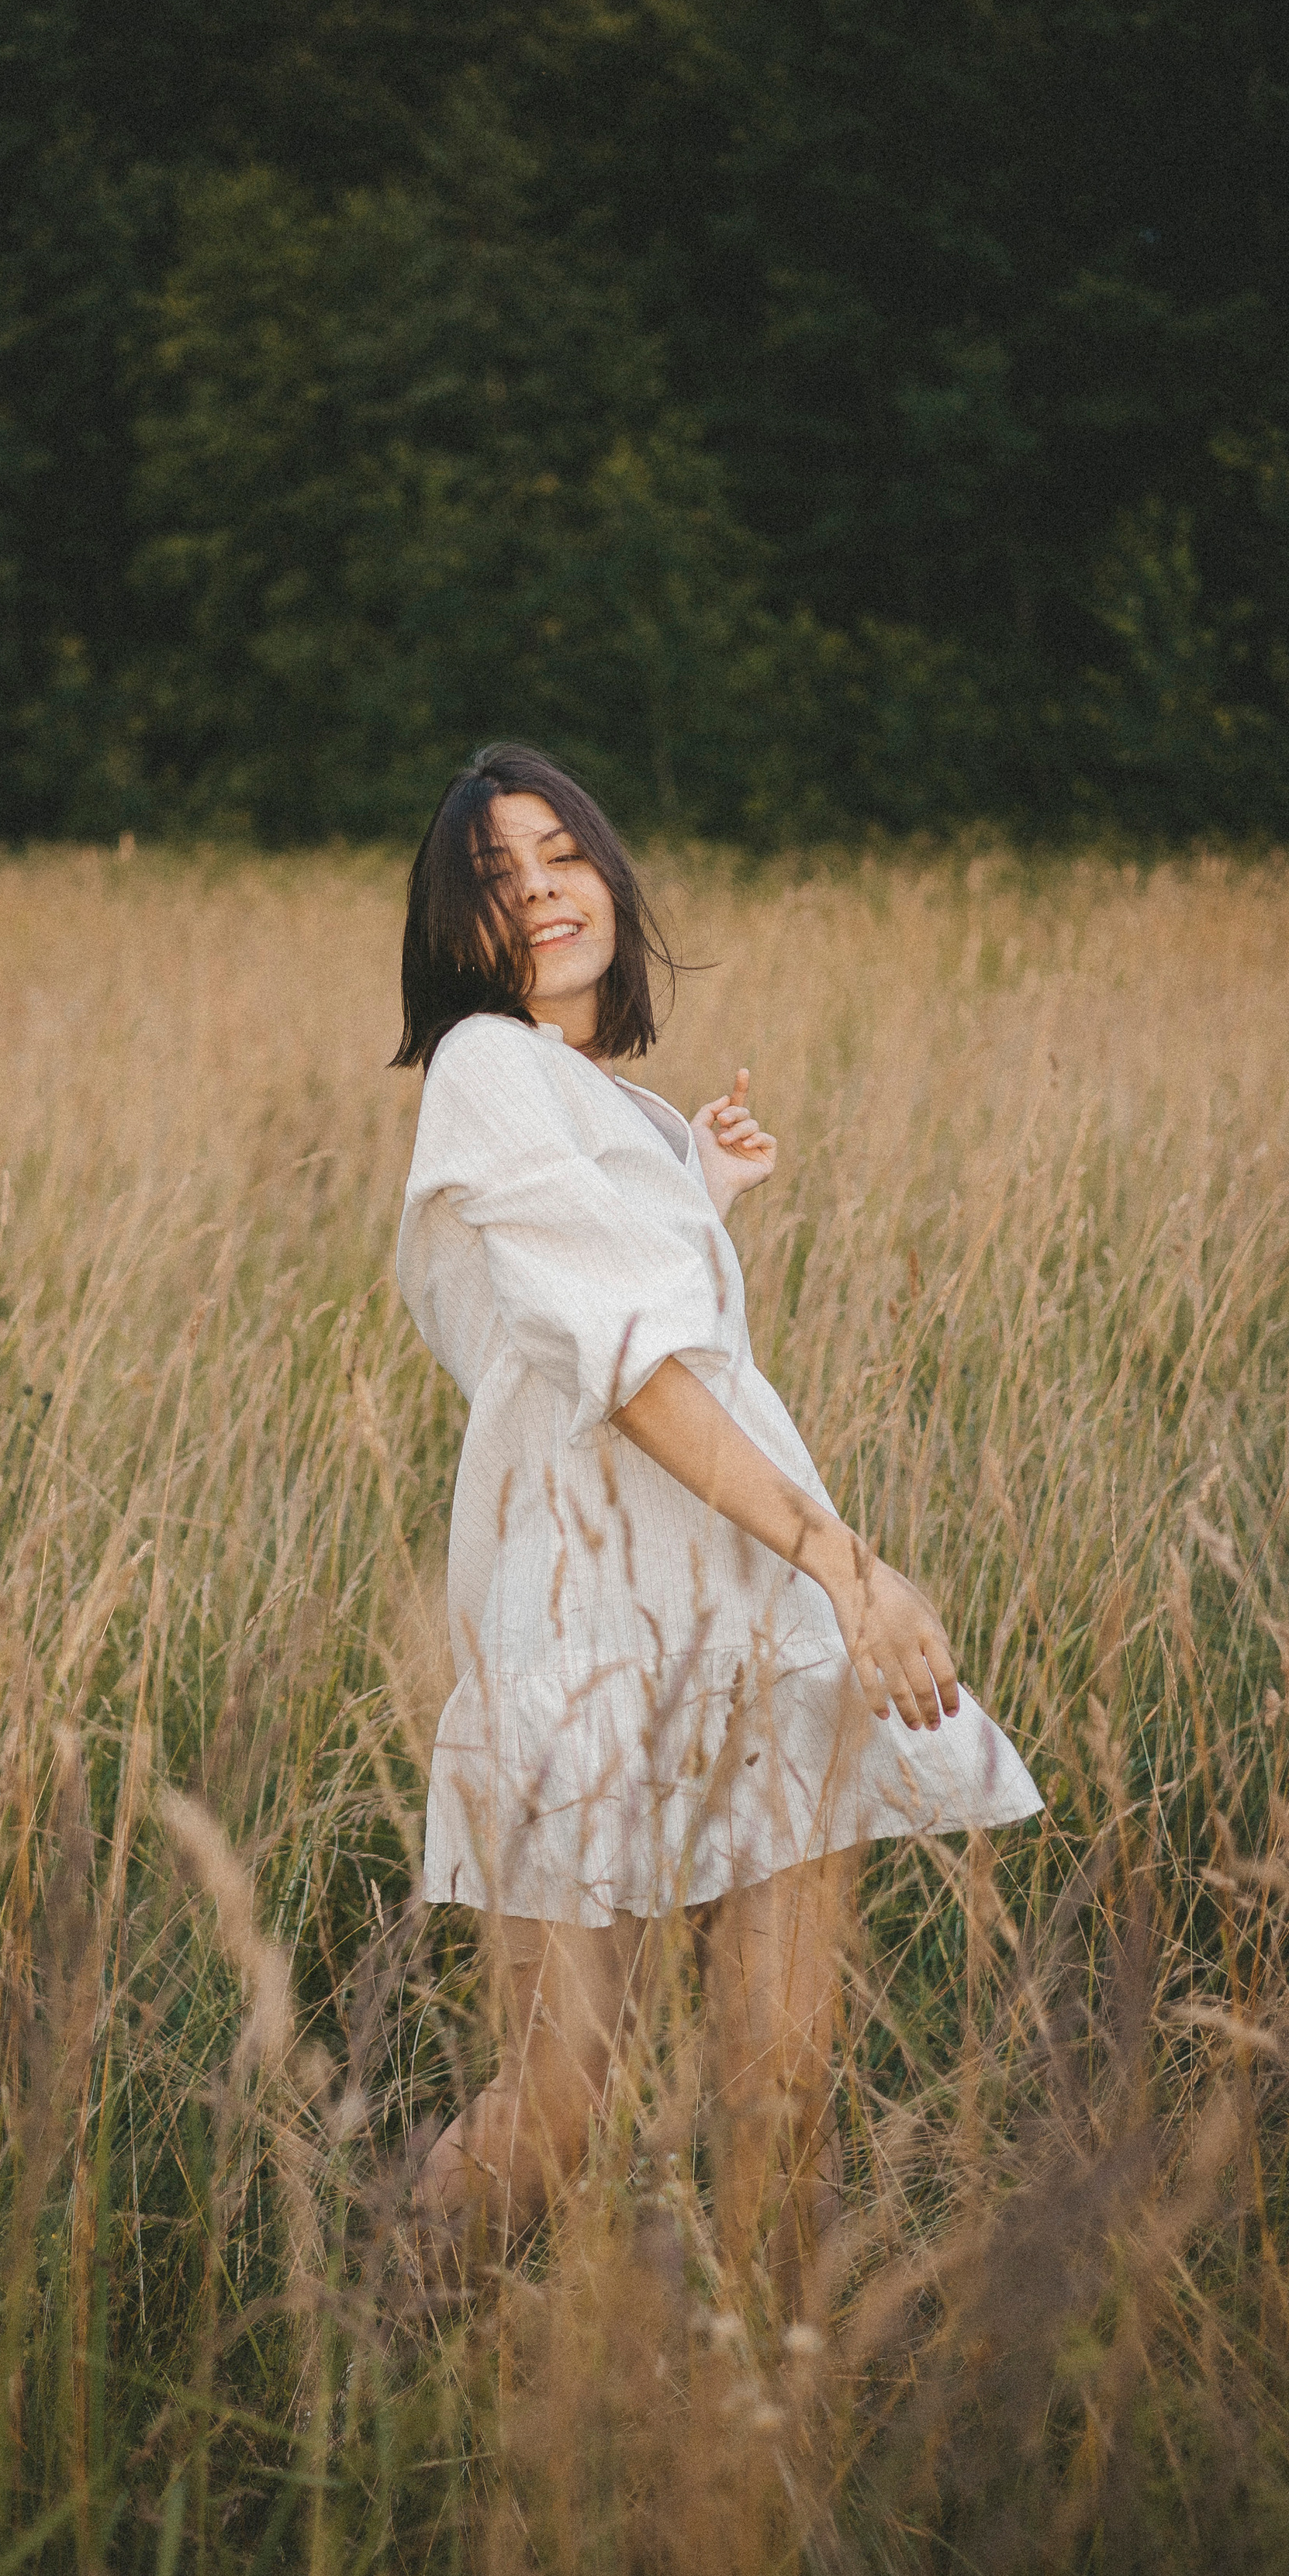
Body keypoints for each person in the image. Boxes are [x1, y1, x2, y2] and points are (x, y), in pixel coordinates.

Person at [392, 744, 1041, 2297]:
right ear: (452, 927)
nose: (543, 892)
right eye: (498, 874)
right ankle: (377, 2342)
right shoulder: (485, 1065)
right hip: (596, 1634)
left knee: (776, 2089)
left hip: (745, 1620)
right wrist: (846, 1562)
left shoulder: (595, 1096)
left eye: (562, 855)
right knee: (560, 2100)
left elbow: (603, 1311)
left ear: (609, 876)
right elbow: (608, 1366)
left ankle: (765, 2441)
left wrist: (690, 1182)